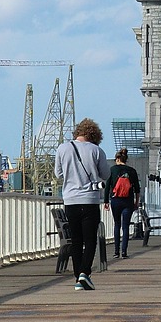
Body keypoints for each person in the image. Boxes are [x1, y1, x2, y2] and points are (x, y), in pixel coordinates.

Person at [56, 118, 111, 290]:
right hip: (90, 200)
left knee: (77, 240)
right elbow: (106, 174)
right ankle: (84, 274)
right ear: (95, 135)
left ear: (77, 132)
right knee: (90, 240)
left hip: (70, 200)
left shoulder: (63, 148)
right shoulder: (96, 150)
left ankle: (77, 277)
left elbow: (58, 174)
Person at [104, 147, 141, 259]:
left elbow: (107, 187)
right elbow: (137, 189)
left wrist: (106, 201)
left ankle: (116, 252)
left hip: (115, 200)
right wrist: (136, 202)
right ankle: (124, 252)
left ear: (117, 159)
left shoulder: (112, 170)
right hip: (128, 201)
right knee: (125, 227)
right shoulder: (132, 171)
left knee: (117, 225)